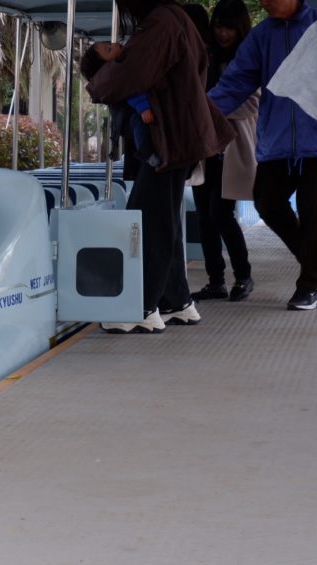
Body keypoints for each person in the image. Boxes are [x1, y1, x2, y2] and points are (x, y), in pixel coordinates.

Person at [84, 0, 235, 333]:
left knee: (149, 222)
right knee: (164, 219)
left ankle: (140, 305)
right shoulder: (174, 18)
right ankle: (175, 301)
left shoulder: (159, 25)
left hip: (168, 139)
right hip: (179, 136)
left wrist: (94, 81)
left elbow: (128, 73)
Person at [208, 0, 317, 311]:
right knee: (267, 202)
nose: (264, 2)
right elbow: (234, 84)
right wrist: (199, 116)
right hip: (277, 142)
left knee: (313, 213)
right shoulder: (262, 36)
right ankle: (313, 263)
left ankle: (309, 284)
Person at [191, 0, 258, 302]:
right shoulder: (208, 58)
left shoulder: (249, 60)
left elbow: (250, 103)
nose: (223, 33)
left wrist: (206, 109)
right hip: (206, 148)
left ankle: (243, 275)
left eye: (229, 27)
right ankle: (215, 280)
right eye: (218, 26)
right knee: (204, 217)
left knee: (221, 213)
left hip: (231, 147)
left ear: (241, 28)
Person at [80, 42, 160, 168]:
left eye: (109, 44)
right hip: (136, 114)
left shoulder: (124, 65)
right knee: (138, 124)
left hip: (132, 118)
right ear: (106, 67)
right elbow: (131, 91)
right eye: (109, 49)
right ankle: (147, 152)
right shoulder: (118, 76)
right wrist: (143, 108)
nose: (115, 44)